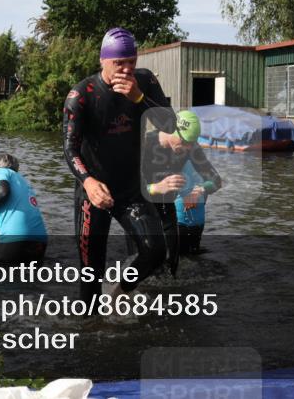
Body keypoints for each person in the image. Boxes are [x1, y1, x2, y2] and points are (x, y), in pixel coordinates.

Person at [63, 27, 177, 301]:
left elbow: (170, 124)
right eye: (119, 63)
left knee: (155, 251)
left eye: (131, 62)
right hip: (94, 192)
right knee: (90, 274)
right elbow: (70, 148)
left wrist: (138, 98)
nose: (126, 69)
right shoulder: (82, 95)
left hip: (130, 188)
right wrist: (87, 182)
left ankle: (117, 294)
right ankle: (90, 326)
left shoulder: (145, 82)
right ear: (103, 60)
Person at [141, 110, 223, 271]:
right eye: (185, 142)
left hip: (167, 208)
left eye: (192, 143)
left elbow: (216, 180)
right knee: (143, 262)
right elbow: (127, 187)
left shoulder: (191, 148)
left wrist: (200, 190)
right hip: (142, 209)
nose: (188, 148)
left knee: (172, 264)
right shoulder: (145, 144)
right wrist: (156, 187)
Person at [0, 152, 48, 266]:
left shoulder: (0, 171)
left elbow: (2, 191)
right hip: (40, 241)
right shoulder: (24, 182)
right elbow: (11, 219)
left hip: (16, 239)